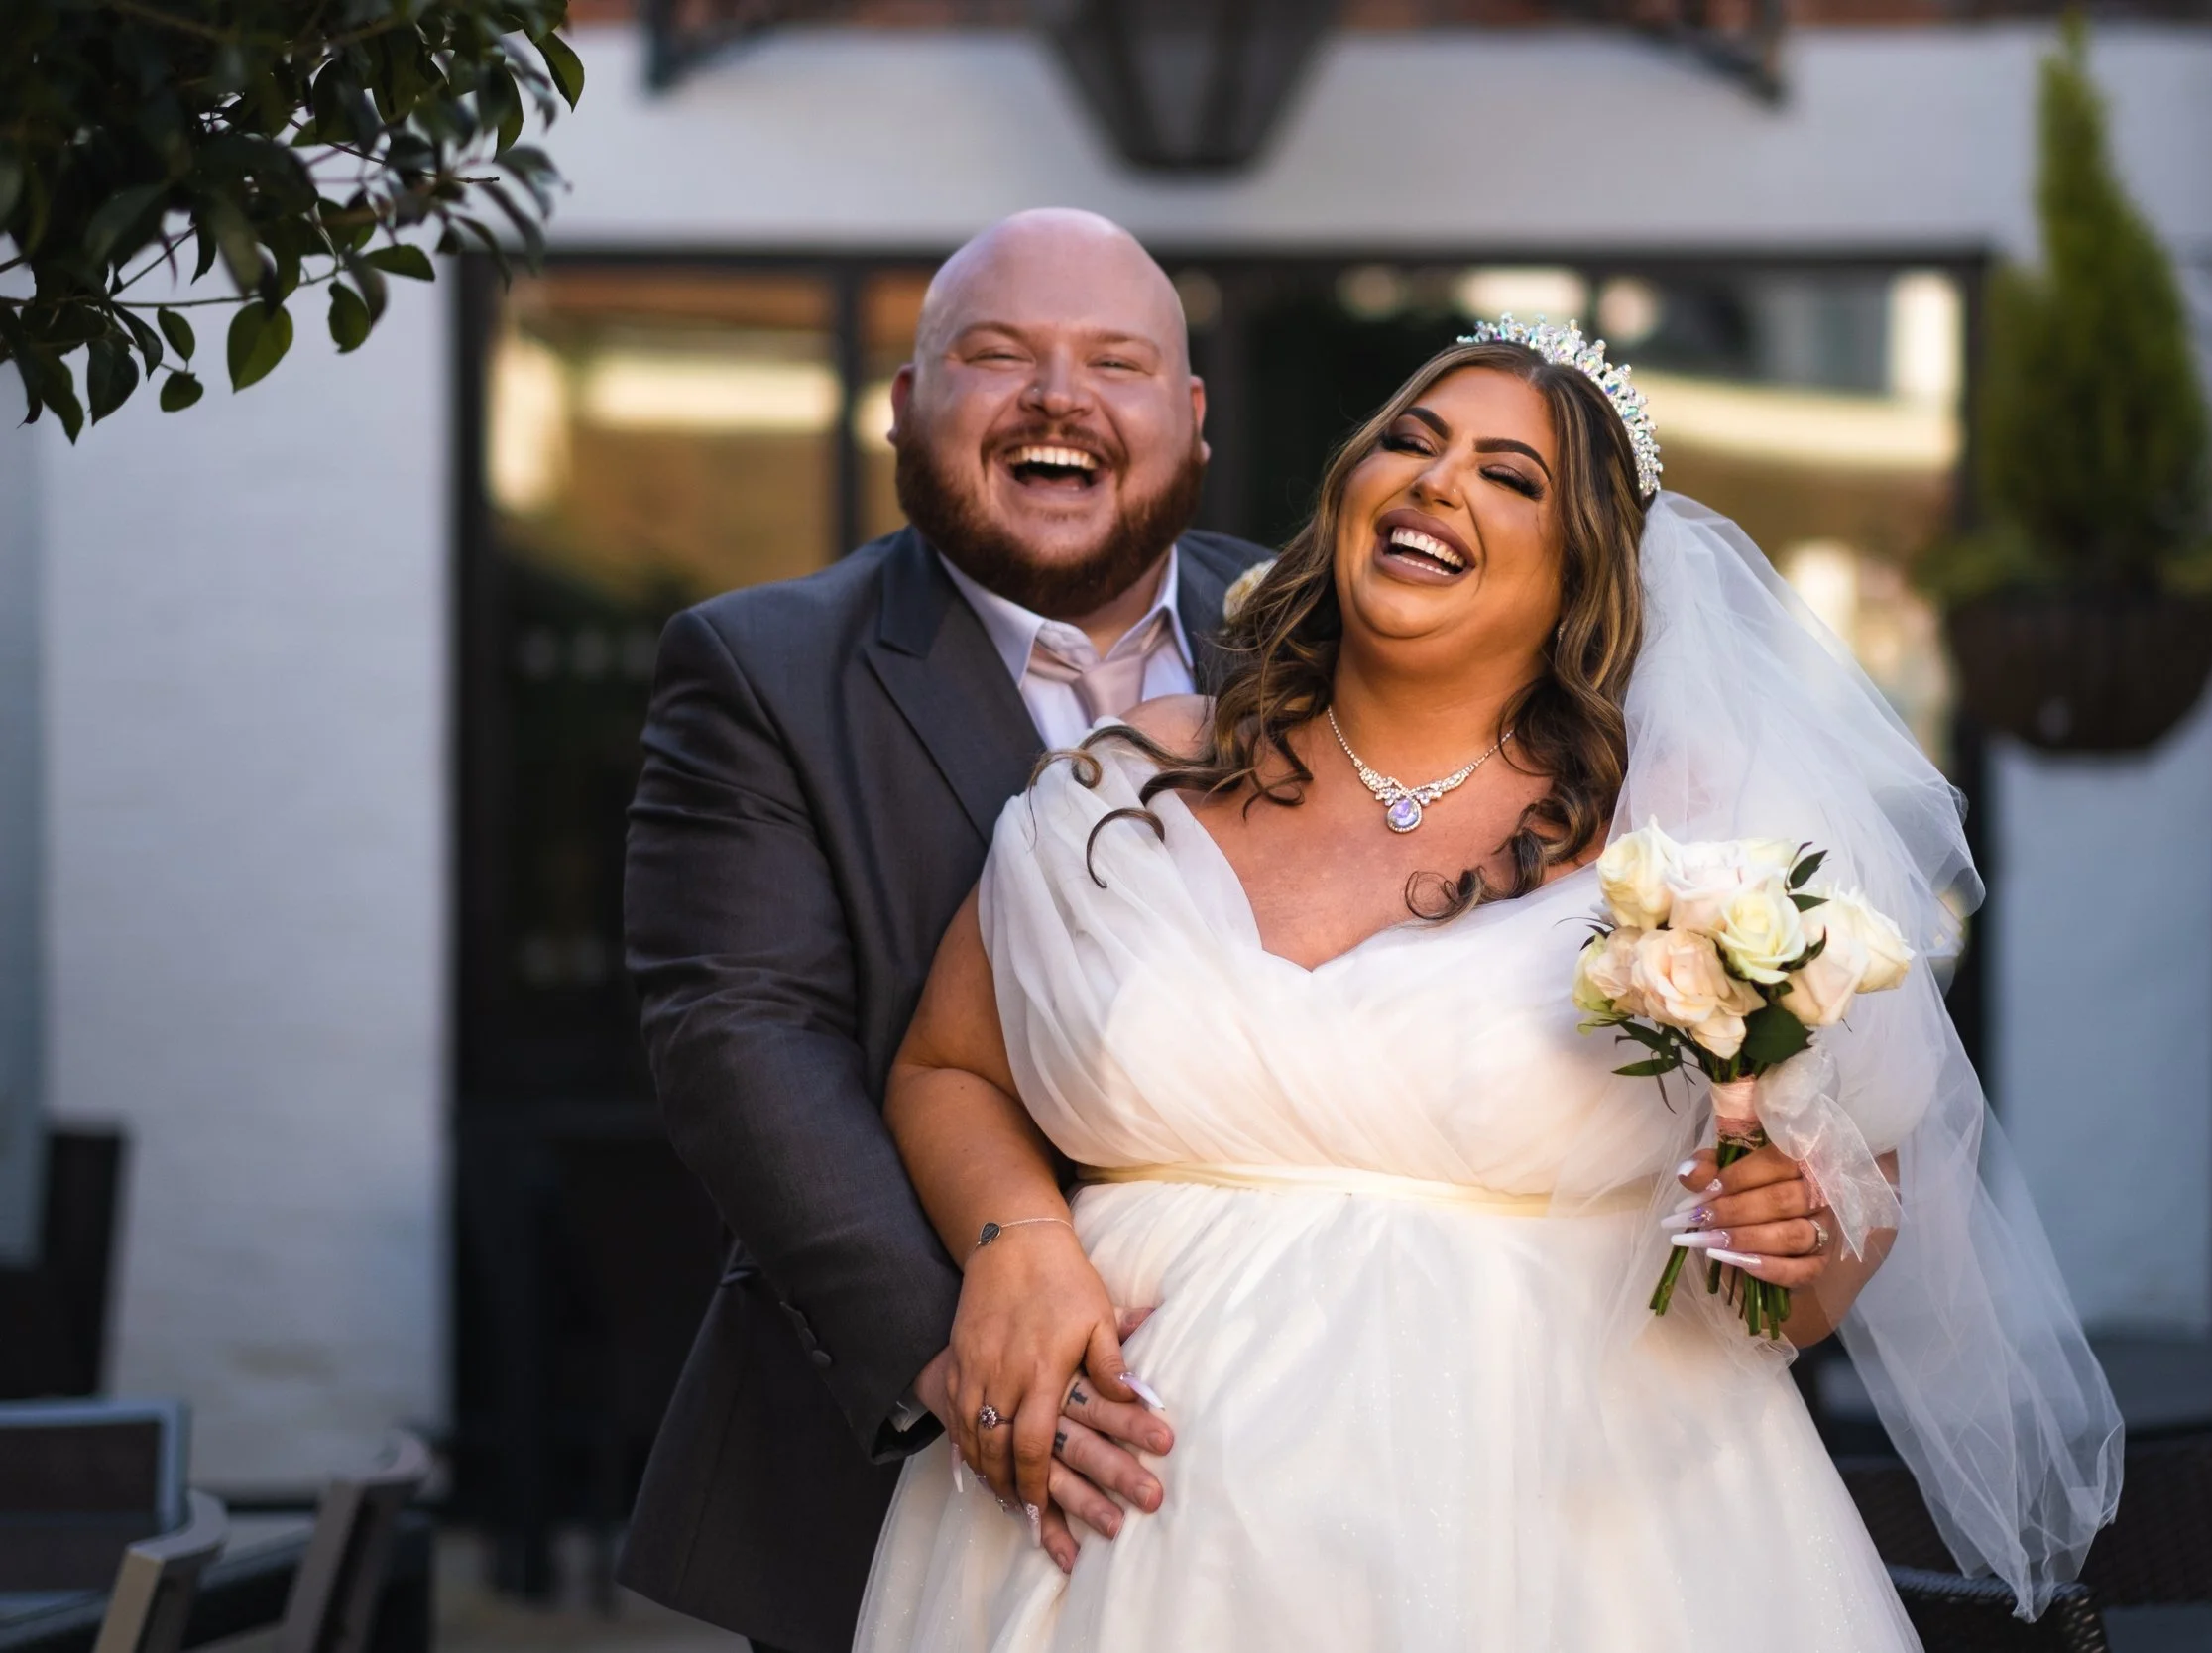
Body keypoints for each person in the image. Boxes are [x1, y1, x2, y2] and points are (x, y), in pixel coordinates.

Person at [854, 325, 2122, 1651]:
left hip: (1577, 1555)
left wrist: (1789, 1227)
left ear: (1585, 572)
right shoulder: (1134, 780)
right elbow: (948, 1066)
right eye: (1410, 441)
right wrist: (1017, 1240)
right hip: (1103, 1551)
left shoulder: (1694, 848)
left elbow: (1803, 1280)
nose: (1437, 481)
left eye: (1509, 475)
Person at [619, 208, 1266, 1653]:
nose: (1060, 397)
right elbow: (741, 1041)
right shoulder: (761, 669)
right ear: (908, 407)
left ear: (1190, 418)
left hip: (1287, 1453)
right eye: (996, 355)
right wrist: (983, 1368)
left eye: (1116, 361)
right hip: (913, 1452)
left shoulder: (1323, 632)